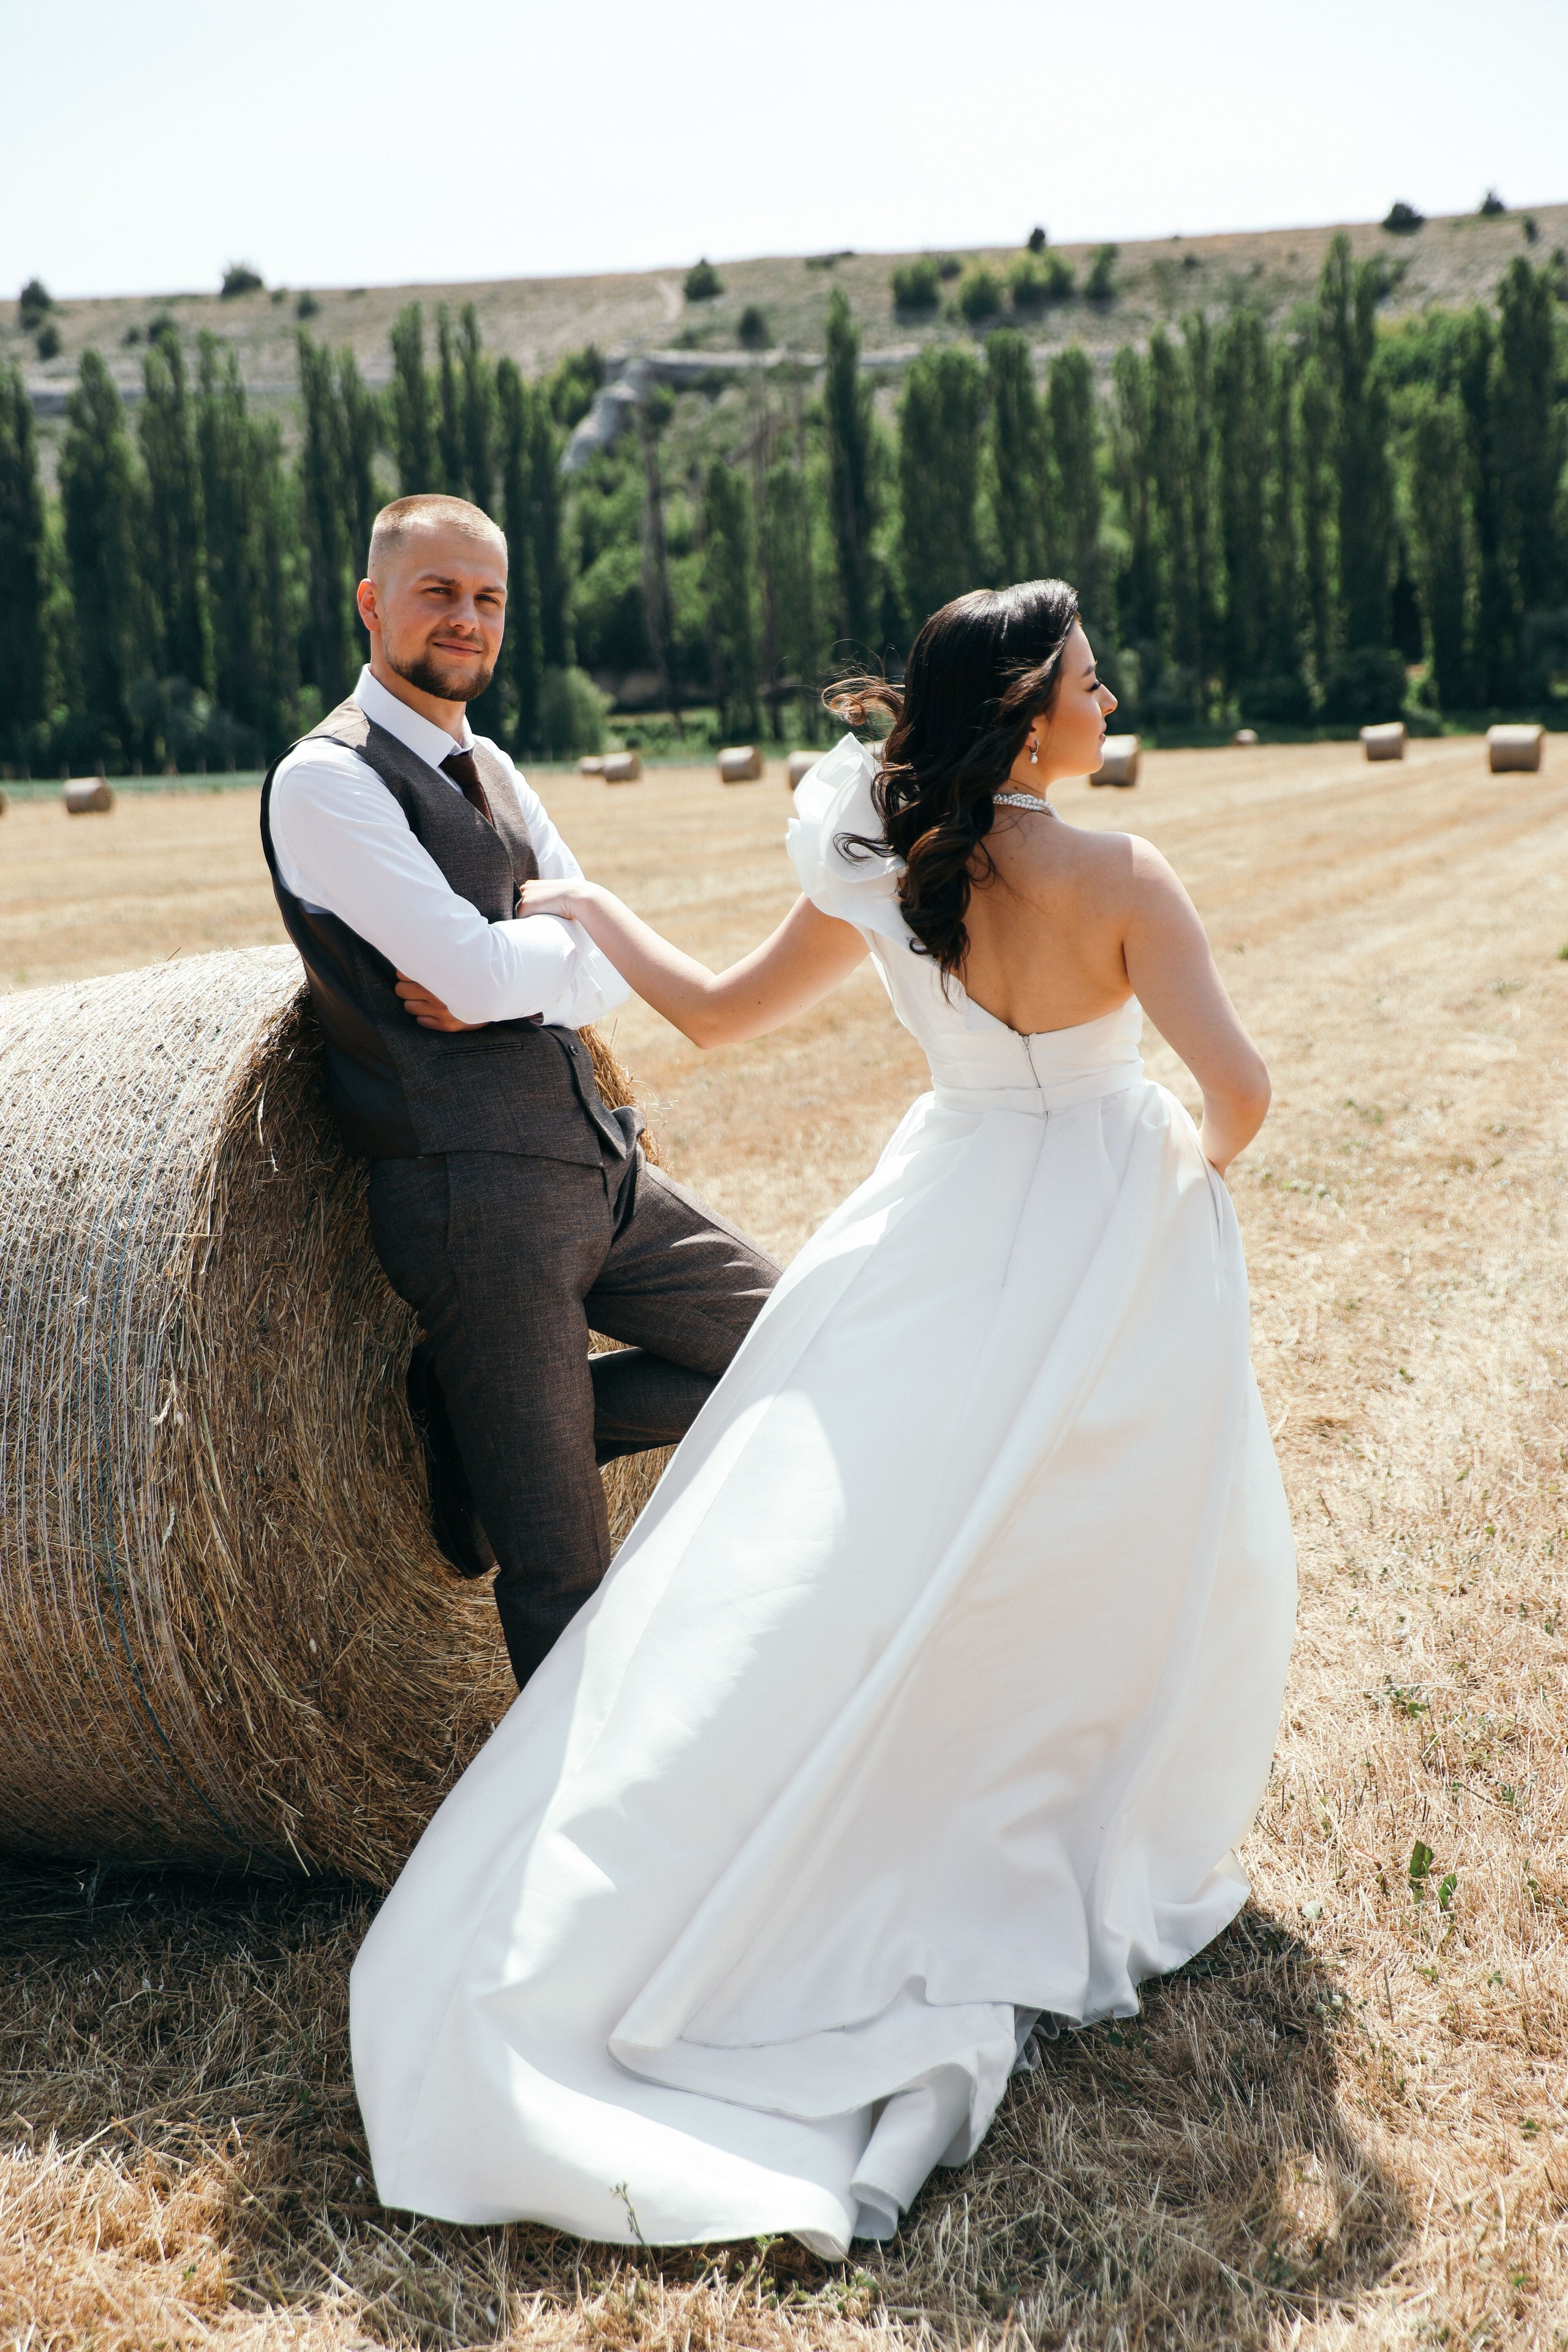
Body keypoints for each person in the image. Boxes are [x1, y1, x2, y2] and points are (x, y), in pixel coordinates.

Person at [350, 580, 1297, 2256]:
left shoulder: (874, 843)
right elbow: (1241, 1097)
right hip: (1090, 1206)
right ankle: (1059, 1800)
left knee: (864, 1543)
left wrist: (593, 906)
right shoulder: (1121, 876)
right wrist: (1169, 1182)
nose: (1109, 697)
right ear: (1023, 712)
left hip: (937, 1214)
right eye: (1088, 680)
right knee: (1106, 1534)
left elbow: (710, 1011)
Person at [260, 492, 778, 1687]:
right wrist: (531, 962)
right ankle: (569, 1849)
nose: (466, 619)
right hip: (473, 1198)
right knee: (562, 1570)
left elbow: (592, 961)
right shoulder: (324, 781)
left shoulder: (485, 762)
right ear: (372, 602)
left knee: (791, 1338)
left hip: (598, 1166)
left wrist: (518, 971)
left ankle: (482, 1433)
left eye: (487, 598)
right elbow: (488, 967)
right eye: (438, 592)